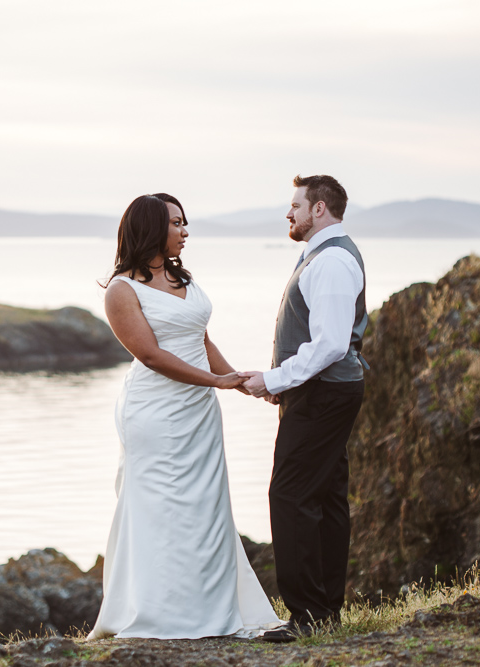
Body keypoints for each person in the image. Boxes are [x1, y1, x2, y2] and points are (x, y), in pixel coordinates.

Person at [87, 193, 281, 640]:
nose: (185, 231)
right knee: (159, 508)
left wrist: (236, 378)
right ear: (152, 228)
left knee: (207, 506)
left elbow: (201, 338)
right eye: (177, 223)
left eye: (184, 222)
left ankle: (217, 609)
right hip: (155, 414)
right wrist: (215, 383)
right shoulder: (122, 290)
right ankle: (158, 613)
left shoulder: (181, 277)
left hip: (198, 412)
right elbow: (151, 356)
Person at [239, 175, 368, 642]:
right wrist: (283, 385)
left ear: (319, 209)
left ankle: (308, 615)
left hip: (323, 395)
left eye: (295, 205)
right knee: (326, 495)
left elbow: (331, 344)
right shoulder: (325, 255)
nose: (288, 213)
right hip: (321, 392)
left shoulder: (331, 260)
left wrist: (274, 379)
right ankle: (324, 611)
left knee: (289, 496)